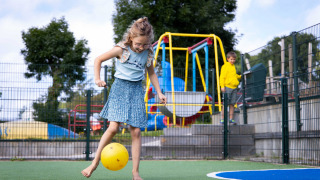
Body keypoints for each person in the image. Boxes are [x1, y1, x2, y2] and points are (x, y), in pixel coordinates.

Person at [81, 17, 167, 180]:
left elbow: (152, 73)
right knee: (113, 127)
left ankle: (135, 172)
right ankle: (94, 163)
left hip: (136, 90)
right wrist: (98, 79)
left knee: (135, 131)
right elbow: (98, 59)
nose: (141, 47)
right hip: (120, 88)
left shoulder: (148, 53)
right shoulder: (122, 49)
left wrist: (159, 92)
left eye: (144, 44)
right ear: (131, 38)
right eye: (138, 44)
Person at [219, 51, 241, 124]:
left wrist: (240, 76)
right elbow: (222, 77)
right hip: (227, 87)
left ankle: (231, 119)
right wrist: (222, 86)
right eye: (231, 59)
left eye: (234, 59)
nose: (233, 61)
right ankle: (222, 119)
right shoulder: (225, 66)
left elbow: (234, 76)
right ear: (227, 59)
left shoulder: (233, 67)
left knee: (232, 104)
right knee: (225, 103)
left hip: (234, 87)